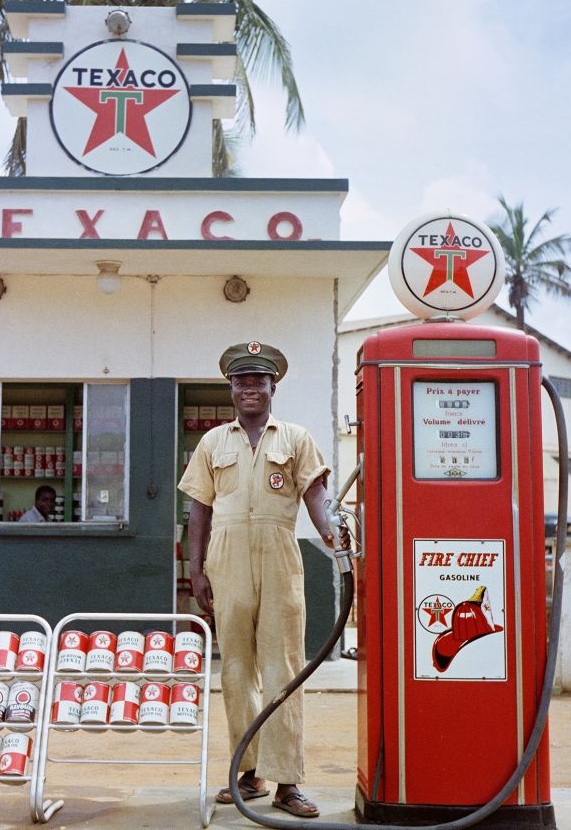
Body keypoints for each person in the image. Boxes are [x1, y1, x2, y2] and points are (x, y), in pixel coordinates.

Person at [178, 341, 334, 819]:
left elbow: (316, 495)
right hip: (225, 559)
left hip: (279, 553)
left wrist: (334, 533)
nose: (250, 388)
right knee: (237, 669)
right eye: (241, 381)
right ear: (231, 389)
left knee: (283, 665)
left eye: (258, 381)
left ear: (273, 387)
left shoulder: (295, 438)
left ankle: (288, 781)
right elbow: (198, 510)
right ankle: (249, 772)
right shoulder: (213, 442)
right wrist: (194, 569)